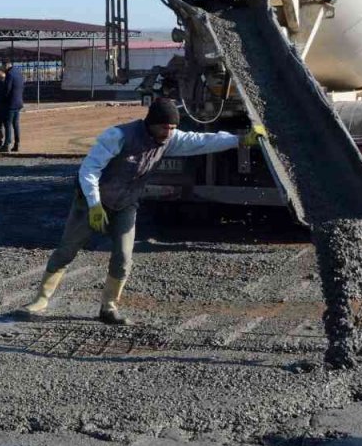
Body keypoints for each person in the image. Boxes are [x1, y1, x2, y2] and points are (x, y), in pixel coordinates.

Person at [22, 98, 262, 325]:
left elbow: (201, 140)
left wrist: (239, 140)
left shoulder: (170, 139)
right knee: (67, 250)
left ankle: (109, 308)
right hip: (92, 203)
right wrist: (94, 204)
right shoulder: (118, 136)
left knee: (124, 258)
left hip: (126, 204)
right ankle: (40, 299)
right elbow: (89, 170)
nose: (169, 133)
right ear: (151, 124)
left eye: (172, 127)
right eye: (165, 127)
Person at [0, 60, 25, 153]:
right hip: (18, 102)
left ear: (6, 65)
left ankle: (6, 145)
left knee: (7, 124)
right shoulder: (18, 72)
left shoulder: (9, 74)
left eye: (2, 66)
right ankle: (17, 144)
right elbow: (22, 86)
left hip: (10, 104)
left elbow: (7, 89)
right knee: (16, 124)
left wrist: (3, 100)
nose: (2, 69)